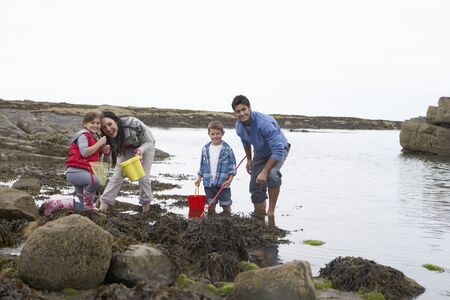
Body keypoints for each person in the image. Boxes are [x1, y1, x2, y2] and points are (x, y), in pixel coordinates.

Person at [231, 95, 290, 218]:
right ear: (235, 113)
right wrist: (249, 159)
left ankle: (271, 212)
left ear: (249, 108)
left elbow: (278, 150)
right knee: (255, 184)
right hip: (260, 152)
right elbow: (245, 141)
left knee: (272, 174)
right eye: (238, 111)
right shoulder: (239, 127)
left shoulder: (265, 123)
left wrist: (265, 170)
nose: (241, 113)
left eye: (244, 109)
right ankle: (259, 217)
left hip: (279, 149)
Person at [99, 111, 155, 213]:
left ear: (116, 121)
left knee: (143, 177)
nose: (108, 129)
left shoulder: (133, 124)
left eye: (110, 124)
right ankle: (102, 209)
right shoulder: (105, 138)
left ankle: (146, 211)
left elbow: (149, 142)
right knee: (116, 177)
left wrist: (140, 151)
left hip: (145, 146)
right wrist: (106, 154)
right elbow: (106, 164)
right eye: (104, 127)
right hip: (125, 149)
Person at [65, 110, 110, 211]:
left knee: (82, 207)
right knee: (95, 181)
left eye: (98, 123)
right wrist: (99, 144)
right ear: (84, 124)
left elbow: (100, 162)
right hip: (75, 172)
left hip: (84, 172)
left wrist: (106, 153)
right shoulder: (83, 135)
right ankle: (89, 204)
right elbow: (84, 152)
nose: (95, 125)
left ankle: (58, 205)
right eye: (92, 122)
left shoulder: (93, 138)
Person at [195, 121, 237, 214]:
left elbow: (232, 167)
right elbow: (202, 165)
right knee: (211, 205)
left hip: (223, 184)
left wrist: (229, 180)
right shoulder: (205, 148)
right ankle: (211, 222)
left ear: (222, 133)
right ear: (209, 134)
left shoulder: (227, 149)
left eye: (218, 133)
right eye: (212, 134)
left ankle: (227, 220)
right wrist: (199, 178)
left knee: (226, 205)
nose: (215, 136)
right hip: (208, 184)